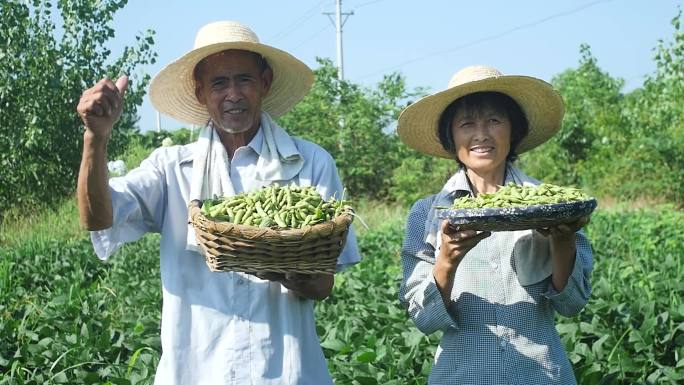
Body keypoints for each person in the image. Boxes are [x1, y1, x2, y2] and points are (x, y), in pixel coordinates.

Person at [76, 21, 361, 385]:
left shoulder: (309, 164)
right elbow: (98, 219)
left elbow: (322, 285)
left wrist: (280, 266)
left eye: (244, 80)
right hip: (196, 372)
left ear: (265, 83)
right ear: (200, 93)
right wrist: (95, 138)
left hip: (285, 372)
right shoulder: (172, 170)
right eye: (218, 83)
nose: (233, 95)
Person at [396, 65, 592, 384]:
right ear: (451, 136)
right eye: (466, 123)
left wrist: (563, 240)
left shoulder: (548, 204)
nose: (481, 134)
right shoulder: (428, 213)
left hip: (540, 373)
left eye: (494, 120)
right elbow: (423, 319)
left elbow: (573, 304)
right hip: (463, 375)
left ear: (513, 130)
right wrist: (446, 261)